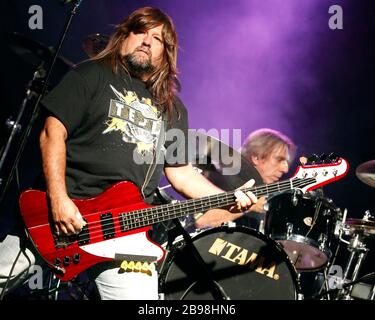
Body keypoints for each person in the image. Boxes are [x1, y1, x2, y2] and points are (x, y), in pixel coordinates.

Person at [0, 7, 256, 300]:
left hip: (125, 230)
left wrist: (226, 200)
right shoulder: (91, 74)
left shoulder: (173, 110)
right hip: (61, 214)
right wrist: (59, 201)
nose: (147, 41)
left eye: (158, 38)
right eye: (140, 31)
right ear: (123, 37)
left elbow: (181, 173)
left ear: (165, 53)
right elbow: (51, 134)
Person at [195, 128, 296, 230]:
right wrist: (250, 205)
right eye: (279, 159)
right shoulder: (221, 176)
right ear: (256, 157)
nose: (285, 169)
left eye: (286, 162)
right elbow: (200, 222)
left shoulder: (268, 196)